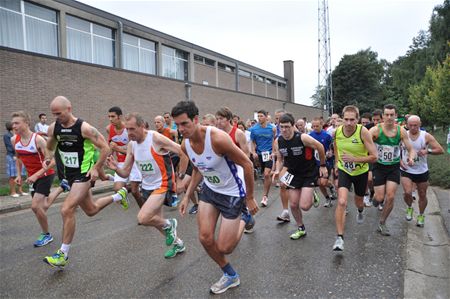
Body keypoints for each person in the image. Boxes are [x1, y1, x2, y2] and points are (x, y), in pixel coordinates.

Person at [173, 101, 258, 294]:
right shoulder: (185, 144)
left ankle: (245, 218)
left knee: (225, 247)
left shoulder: (218, 139)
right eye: (177, 125)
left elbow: (247, 164)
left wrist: (250, 197)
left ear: (196, 120)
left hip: (232, 193)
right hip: (210, 191)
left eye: (184, 123)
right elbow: (197, 169)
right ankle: (230, 275)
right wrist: (187, 196)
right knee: (205, 237)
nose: (181, 129)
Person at [42, 96, 128, 268]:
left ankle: (63, 254)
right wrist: (47, 157)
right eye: (53, 114)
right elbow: (50, 146)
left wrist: (96, 168)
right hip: (70, 175)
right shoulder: (54, 127)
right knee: (91, 210)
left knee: (66, 209)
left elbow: (105, 147)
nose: (56, 117)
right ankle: (119, 195)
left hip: (84, 174)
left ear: (69, 108)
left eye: (59, 113)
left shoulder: (84, 128)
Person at [106, 112, 187, 258]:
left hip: (163, 184)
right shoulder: (132, 145)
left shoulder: (155, 138)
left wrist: (180, 178)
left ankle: (171, 223)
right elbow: (125, 173)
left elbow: (182, 152)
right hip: (147, 186)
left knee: (143, 218)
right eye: (127, 129)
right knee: (157, 223)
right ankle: (178, 244)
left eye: (132, 129)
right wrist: (116, 168)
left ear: (142, 126)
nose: (129, 133)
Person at [272, 113, 327, 240]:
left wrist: (323, 165)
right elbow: (280, 159)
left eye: (287, 127)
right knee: (293, 204)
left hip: (308, 172)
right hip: (293, 173)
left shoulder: (302, 138)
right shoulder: (278, 141)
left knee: (305, 206)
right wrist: (277, 170)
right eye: (281, 127)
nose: (284, 130)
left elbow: (320, 147)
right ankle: (301, 228)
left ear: (293, 126)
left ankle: (311, 193)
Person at [332, 106, 377, 251]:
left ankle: (361, 211)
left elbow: (374, 157)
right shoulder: (337, 131)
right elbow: (336, 147)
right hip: (345, 170)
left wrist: (355, 159)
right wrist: (337, 164)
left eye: (352, 120)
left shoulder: (363, 132)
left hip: (361, 172)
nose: (349, 123)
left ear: (357, 119)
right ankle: (339, 238)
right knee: (342, 201)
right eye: (346, 119)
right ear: (342, 119)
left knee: (358, 202)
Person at [11, 111, 58, 247]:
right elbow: (19, 158)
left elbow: (52, 161)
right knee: (42, 207)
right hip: (32, 177)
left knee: (35, 206)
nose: (14, 126)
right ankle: (62, 188)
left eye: (17, 123)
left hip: (45, 174)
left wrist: (36, 175)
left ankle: (46, 235)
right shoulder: (14, 140)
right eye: (13, 123)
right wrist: (19, 175)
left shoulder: (38, 140)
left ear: (27, 123)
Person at [369, 104, 415, 236]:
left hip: (393, 167)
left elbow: (410, 149)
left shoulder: (401, 131)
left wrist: (411, 158)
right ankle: (376, 199)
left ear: (396, 116)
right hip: (378, 166)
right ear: (383, 116)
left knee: (390, 196)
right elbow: (365, 144)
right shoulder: (375, 130)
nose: (389, 117)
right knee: (379, 196)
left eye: (392, 115)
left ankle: (382, 223)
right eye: (387, 115)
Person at [401, 115, 444, 227]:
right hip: (406, 169)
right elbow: (395, 149)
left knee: (422, 194)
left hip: (421, 170)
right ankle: (410, 207)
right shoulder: (403, 135)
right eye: (411, 125)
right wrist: (400, 161)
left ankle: (421, 215)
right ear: (407, 125)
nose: (413, 127)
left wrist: (427, 151)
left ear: (420, 125)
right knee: (407, 192)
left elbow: (440, 150)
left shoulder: (426, 136)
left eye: (416, 125)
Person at [106, 106, 144, 207]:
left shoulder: (128, 130)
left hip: (133, 162)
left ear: (120, 117)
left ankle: (143, 210)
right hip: (121, 163)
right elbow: (111, 146)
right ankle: (126, 195)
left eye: (113, 116)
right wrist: (109, 157)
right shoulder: (109, 129)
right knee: (117, 189)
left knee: (135, 191)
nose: (110, 119)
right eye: (109, 116)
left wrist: (118, 149)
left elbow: (132, 151)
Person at [250, 109, 276, 207]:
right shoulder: (254, 129)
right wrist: (253, 152)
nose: (259, 118)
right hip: (260, 154)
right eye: (258, 116)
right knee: (264, 175)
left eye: (261, 116)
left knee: (266, 174)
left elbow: (274, 140)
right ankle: (268, 179)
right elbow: (252, 142)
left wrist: (273, 152)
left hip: (269, 154)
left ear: (266, 116)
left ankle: (265, 196)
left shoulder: (272, 128)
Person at [309, 117, 336, 208]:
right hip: (314, 163)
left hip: (325, 162)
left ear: (322, 125)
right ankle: (327, 198)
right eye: (314, 126)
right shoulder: (310, 135)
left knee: (323, 182)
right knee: (320, 183)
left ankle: (331, 186)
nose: (315, 128)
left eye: (317, 126)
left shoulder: (327, 136)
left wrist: (330, 153)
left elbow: (332, 148)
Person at [272, 109, 291, 222]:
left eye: (280, 117)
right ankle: (285, 212)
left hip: (301, 164)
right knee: (283, 184)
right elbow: (279, 156)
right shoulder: (277, 132)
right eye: (277, 119)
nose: (278, 121)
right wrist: (277, 170)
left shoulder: (294, 131)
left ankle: (309, 190)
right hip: (287, 162)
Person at [3, 121, 26, 197]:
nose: (16, 126)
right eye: (14, 124)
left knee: (20, 173)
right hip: (12, 156)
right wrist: (14, 155)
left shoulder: (17, 134)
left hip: (19, 156)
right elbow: (9, 146)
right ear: (11, 126)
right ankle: (13, 192)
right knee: (12, 175)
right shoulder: (7, 135)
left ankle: (20, 191)